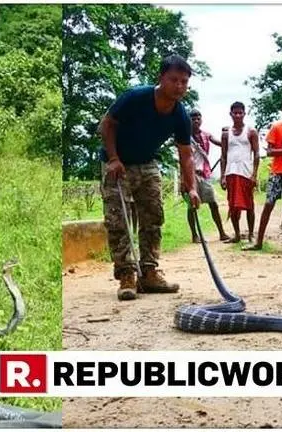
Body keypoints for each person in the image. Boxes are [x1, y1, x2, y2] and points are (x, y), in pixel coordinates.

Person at [98, 54, 198, 301]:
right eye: (174, 80)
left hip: (147, 162)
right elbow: (107, 124)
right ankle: (127, 275)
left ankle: (149, 272)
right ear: (161, 78)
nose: (179, 86)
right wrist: (113, 158)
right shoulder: (135, 97)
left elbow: (186, 154)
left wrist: (192, 187)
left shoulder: (181, 115)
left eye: (184, 82)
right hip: (117, 162)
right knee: (118, 220)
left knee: (153, 215)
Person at [243, 95, 282, 256]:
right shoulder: (276, 127)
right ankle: (258, 241)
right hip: (277, 171)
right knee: (268, 204)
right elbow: (270, 151)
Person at [186, 109, 230, 243]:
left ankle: (222, 232)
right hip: (190, 175)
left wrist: (226, 135)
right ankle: (194, 235)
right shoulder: (184, 137)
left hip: (204, 174)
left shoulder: (206, 135)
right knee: (191, 206)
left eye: (198, 118)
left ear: (201, 120)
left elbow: (221, 143)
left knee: (213, 203)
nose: (196, 121)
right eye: (193, 119)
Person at [220, 101, 259, 243]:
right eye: (234, 113)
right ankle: (236, 234)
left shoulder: (251, 132)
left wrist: (254, 174)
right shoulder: (226, 134)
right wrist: (222, 176)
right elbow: (223, 156)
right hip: (231, 173)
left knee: (249, 205)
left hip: (246, 173)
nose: (237, 115)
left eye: (240, 112)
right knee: (233, 205)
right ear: (230, 114)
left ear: (244, 114)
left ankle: (251, 234)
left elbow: (257, 154)